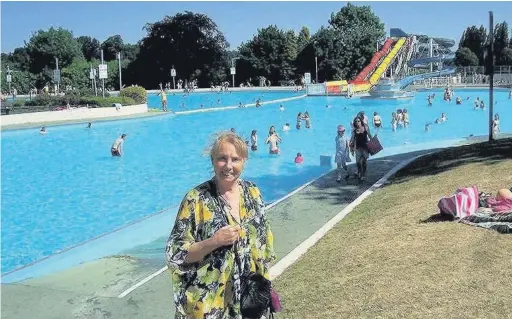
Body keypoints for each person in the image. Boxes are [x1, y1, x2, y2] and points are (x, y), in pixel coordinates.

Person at [165, 132, 275, 318]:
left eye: (235, 159)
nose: (229, 166)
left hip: (250, 300)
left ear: (244, 161)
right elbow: (175, 254)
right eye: (222, 159)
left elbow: (264, 245)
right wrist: (214, 241)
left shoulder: (253, 193)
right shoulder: (196, 199)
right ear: (212, 161)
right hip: (210, 304)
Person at [350, 116, 372, 181]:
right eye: (356, 121)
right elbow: (353, 139)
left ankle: (363, 174)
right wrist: (351, 146)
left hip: (365, 148)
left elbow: (370, 135)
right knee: (358, 162)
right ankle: (359, 172)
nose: (357, 122)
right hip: (358, 148)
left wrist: (373, 142)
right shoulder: (354, 130)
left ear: (361, 121)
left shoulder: (366, 127)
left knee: (364, 162)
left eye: (358, 121)